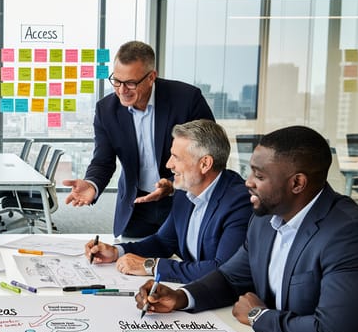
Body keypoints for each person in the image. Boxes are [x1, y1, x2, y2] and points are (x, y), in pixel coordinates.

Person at [137, 125, 358, 332]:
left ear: (297, 183)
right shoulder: (264, 220)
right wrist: (181, 297)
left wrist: (258, 317)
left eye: (259, 176)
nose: (247, 182)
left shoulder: (348, 234)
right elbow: (230, 278)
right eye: (250, 171)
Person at [63, 40, 215, 238]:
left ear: (151, 77)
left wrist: (172, 184)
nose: (122, 90)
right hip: (135, 205)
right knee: (126, 259)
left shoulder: (186, 99)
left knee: (182, 260)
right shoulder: (106, 110)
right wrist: (92, 184)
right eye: (116, 81)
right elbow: (103, 160)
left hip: (180, 198)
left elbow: (209, 150)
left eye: (130, 83)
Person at [86, 119, 251, 283]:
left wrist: (151, 266)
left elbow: (223, 270)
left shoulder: (239, 202)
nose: (168, 165)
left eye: (176, 157)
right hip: (193, 290)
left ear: (205, 163)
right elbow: (163, 242)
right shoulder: (184, 190)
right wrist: (116, 252)